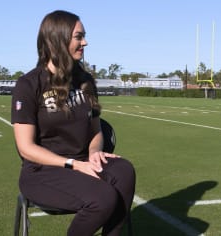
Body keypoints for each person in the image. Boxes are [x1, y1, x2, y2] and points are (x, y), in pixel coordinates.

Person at [11, 10, 136, 236]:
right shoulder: (28, 84)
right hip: (44, 172)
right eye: (78, 36)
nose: (85, 42)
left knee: (124, 171)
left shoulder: (85, 81)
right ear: (57, 39)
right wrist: (73, 164)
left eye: (84, 36)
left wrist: (95, 152)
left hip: (83, 163)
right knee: (103, 198)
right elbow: (25, 148)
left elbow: (96, 130)